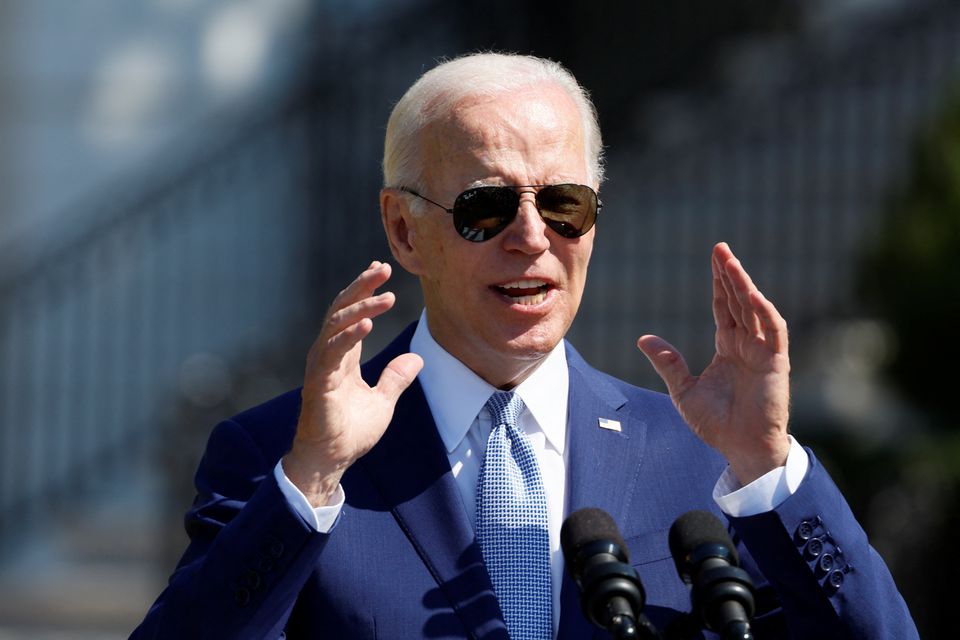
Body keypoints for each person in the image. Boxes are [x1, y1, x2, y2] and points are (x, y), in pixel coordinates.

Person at [133, 53, 917, 639]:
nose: (534, 237)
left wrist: (773, 472)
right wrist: (310, 478)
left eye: (566, 202)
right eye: (487, 206)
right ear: (405, 230)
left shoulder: (706, 457)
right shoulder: (283, 458)